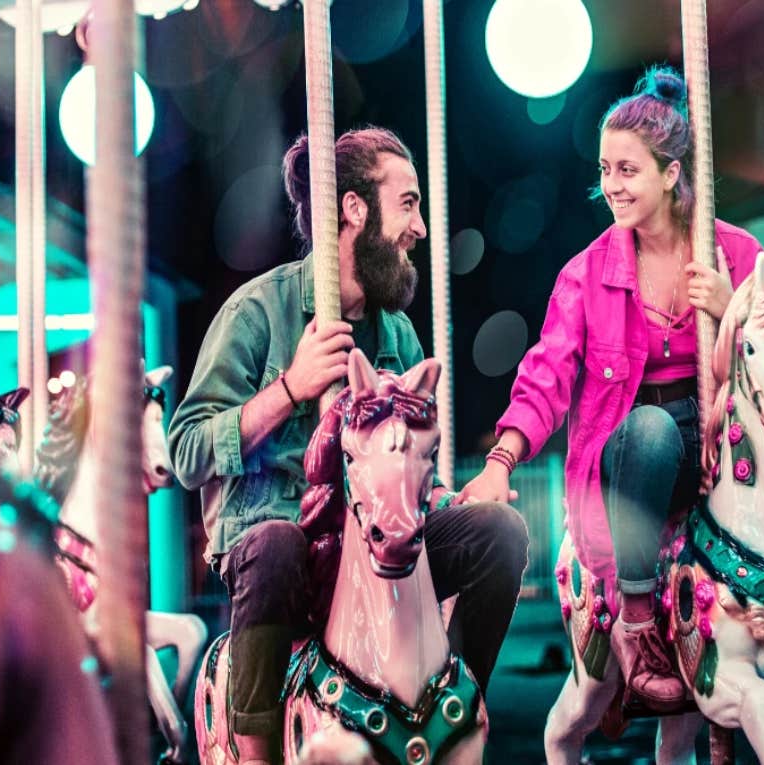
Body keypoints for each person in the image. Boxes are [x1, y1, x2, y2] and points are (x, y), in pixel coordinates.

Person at [460, 66, 764, 709]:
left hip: (723, 440)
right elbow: (547, 371)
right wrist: (502, 459)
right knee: (650, 433)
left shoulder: (733, 252)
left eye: (627, 170)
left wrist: (734, 307)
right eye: (605, 169)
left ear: (671, 174)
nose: (610, 185)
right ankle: (638, 621)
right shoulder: (585, 275)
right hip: (636, 457)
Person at [169, 127, 529, 764]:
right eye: (409, 203)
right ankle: (255, 750)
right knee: (276, 544)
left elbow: (408, 474)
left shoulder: (399, 338)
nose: (419, 227)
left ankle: (450, 716)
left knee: (498, 532)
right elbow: (188, 452)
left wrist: (446, 497)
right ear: (355, 209)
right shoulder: (258, 312)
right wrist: (289, 388)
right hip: (281, 546)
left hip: (375, 544)